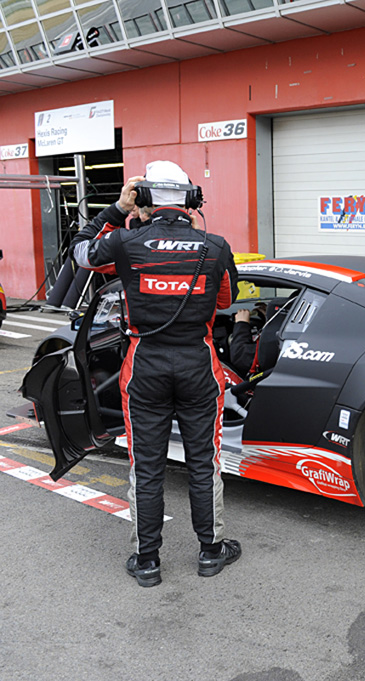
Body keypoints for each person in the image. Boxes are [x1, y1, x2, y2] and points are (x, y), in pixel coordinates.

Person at [72, 161, 241, 587]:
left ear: (144, 200)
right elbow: (224, 301)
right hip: (198, 367)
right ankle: (210, 552)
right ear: (192, 202)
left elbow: (80, 250)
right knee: (205, 463)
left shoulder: (125, 243)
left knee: (145, 467)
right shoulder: (216, 246)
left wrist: (115, 209)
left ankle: (147, 561)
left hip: (143, 367)